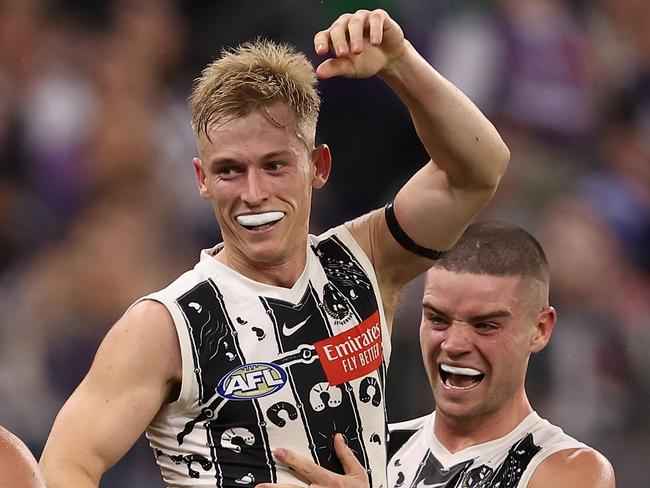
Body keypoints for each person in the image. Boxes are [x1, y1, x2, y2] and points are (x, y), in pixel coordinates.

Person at [39, 9, 510, 488]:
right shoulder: (165, 325)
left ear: (318, 166)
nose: (253, 192)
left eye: (275, 165)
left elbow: (478, 170)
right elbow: (64, 466)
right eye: (228, 170)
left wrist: (399, 62)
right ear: (202, 180)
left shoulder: (363, 261)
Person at [257, 221, 616, 488]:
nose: (455, 344)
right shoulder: (372, 452)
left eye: (485, 325)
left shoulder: (569, 470)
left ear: (539, 330)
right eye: (438, 319)